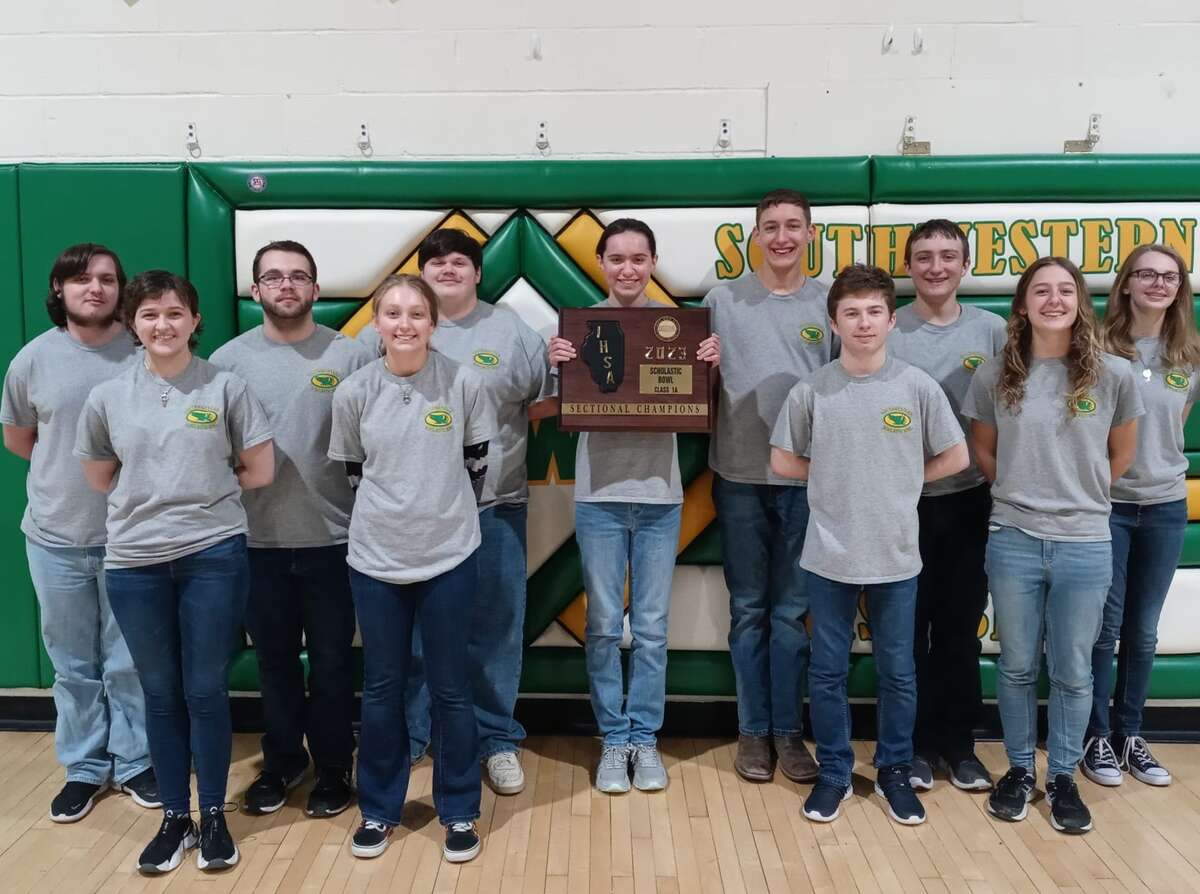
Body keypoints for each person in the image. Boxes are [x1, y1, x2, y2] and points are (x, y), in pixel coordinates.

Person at [74, 270, 275, 873]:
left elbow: (259, 470)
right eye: (150, 315)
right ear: (134, 325)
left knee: (205, 689)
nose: (163, 324)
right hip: (135, 563)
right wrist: (155, 499)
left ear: (195, 320)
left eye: (174, 313)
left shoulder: (226, 387)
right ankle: (174, 819)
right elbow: (100, 477)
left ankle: (213, 816)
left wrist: (201, 494)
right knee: (159, 693)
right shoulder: (108, 396)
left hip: (213, 554)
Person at [771, 264, 967, 826]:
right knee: (828, 670)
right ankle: (834, 771)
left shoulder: (916, 386)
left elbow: (955, 457)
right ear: (833, 322)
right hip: (829, 554)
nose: (863, 322)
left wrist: (901, 480)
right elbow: (782, 459)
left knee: (899, 672)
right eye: (851, 313)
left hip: (897, 553)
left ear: (890, 319)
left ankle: (893, 771)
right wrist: (835, 476)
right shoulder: (813, 389)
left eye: (874, 312)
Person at [360, 229, 553, 795]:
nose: (448, 270)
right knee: (417, 636)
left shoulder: (512, 333)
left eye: (460, 262)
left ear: (476, 272)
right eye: (436, 262)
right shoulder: (395, 330)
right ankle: (417, 735)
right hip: (412, 517)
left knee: (496, 626)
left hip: (494, 507)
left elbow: (541, 403)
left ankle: (495, 738)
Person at [963, 256, 1143, 835]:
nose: (1054, 299)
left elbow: (1122, 458)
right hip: (1013, 538)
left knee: (1071, 669)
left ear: (1080, 303)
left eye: (1066, 290)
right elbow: (985, 453)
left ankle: (1063, 776)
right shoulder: (995, 374)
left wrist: (1075, 498)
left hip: (1086, 541)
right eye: (1041, 290)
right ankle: (1019, 770)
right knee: (1015, 666)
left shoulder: (1112, 374)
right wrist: (1025, 495)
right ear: (1022, 304)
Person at [548, 219, 720, 793]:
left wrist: (709, 368)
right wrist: (557, 367)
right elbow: (552, 408)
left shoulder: (682, 330)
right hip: (599, 498)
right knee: (601, 626)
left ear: (652, 262)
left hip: (659, 498)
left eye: (638, 258)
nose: (627, 268)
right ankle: (612, 738)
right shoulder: (576, 332)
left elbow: (707, 407)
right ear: (600, 262)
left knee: (650, 628)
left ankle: (645, 739)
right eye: (616, 258)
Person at [331, 274, 493, 863]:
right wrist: (395, 518)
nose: (404, 324)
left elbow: (477, 464)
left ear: (434, 322)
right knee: (381, 687)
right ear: (377, 322)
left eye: (416, 314)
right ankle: (378, 809)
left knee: (451, 687)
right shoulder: (353, 392)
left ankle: (459, 811)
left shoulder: (464, 383)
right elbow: (354, 472)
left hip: (450, 555)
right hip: (375, 559)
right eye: (393, 314)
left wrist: (438, 516)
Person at [211, 240, 372, 817]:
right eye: (273, 277)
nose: (286, 286)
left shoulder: (350, 356)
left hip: (336, 541)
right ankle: (282, 762)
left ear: (315, 288)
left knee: (331, 663)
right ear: (255, 290)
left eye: (298, 276)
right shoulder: (227, 362)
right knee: (275, 663)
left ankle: (333, 764)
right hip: (257, 543)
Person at [1, 243, 158, 822]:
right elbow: (20, 440)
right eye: (82, 279)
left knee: (129, 660)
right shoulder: (33, 360)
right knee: (73, 664)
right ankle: (85, 768)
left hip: (132, 537)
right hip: (55, 537)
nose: (96, 288)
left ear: (122, 290)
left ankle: (136, 759)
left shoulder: (145, 353)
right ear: (59, 289)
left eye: (108, 279)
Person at [702, 189, 833, 783]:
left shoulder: (832, 301)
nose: (781, 236)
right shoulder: (720, 300)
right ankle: (752, 732)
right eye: (770, 227)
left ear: (811, 233)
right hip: (737, 476)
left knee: (792, 614)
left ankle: (788, 732)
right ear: (754, 235)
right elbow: (685, 380)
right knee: (749, 610)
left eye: (793, 226)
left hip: (809, 481)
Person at [887, 220, 1006, 792]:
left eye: (948, 256)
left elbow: (1016, 413)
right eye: (924, 256)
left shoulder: (992, 330)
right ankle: (908, 747)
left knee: (958, 630)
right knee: (905, 631)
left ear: (966, 265)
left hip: (967, 503)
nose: (936, 266)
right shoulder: (887, 326)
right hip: (897, 505)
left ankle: (958, 745)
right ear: (907, 266)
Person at [1082, 244, 1200, 788]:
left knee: (1144, 631)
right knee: (1104, 628)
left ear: (1180, 289)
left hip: (1165, 505)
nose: (1157, 284)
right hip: (1107, 505)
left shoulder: (1188, 354)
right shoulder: (1095, 348)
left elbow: (1174, 426)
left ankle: (1131, 734)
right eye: (1145, 275)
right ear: (1126, 284)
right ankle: (1095, 737)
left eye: (1169, 277)